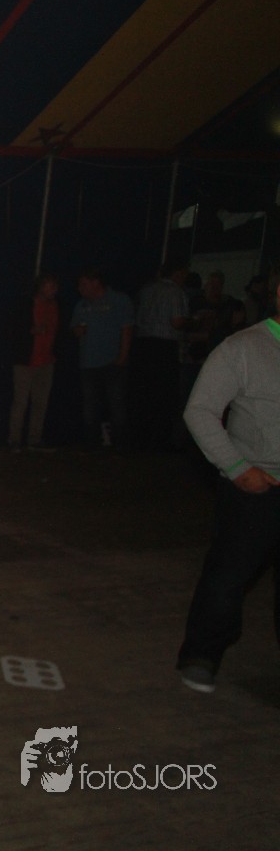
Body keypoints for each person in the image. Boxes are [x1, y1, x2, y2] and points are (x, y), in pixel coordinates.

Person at [175, 273, 280, 694]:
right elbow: (199, 410)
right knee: (227, 577)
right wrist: (237, 467)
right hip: (256, 488)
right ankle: (202, 655)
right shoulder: (243, 348)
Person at [131, 261, 191, 450]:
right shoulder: (175, 292)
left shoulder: (146, 290)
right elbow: (177, 322)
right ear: (178, 273)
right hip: (164, 347)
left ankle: (141, 437)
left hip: (143, 345)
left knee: (145, 392)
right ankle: (160, 440)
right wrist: (193, 322)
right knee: (164, 394)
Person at [69, 268, 133, 447]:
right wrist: (77, 330)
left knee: (116, 403)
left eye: (83, 284)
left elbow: (127, 329)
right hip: (88, 363)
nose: (80, 288)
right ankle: (91, 442)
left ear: (96, 282)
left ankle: (120, 444)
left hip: (112, 361)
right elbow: (73, 328)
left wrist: (123, 356)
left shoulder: (119, 300)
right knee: (90, 404)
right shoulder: (82, 305)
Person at [7, 273, 60, 451]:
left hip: (46, 361)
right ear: (41, 287)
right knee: (20, 402)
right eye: (50, 286)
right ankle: (14, 440)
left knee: (40, 403)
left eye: (55, 286)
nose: (54, 290)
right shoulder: (26, 305)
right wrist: (30, 330)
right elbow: (12, 329)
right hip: (25, 362)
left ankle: (34, 439)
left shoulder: (55, 306)